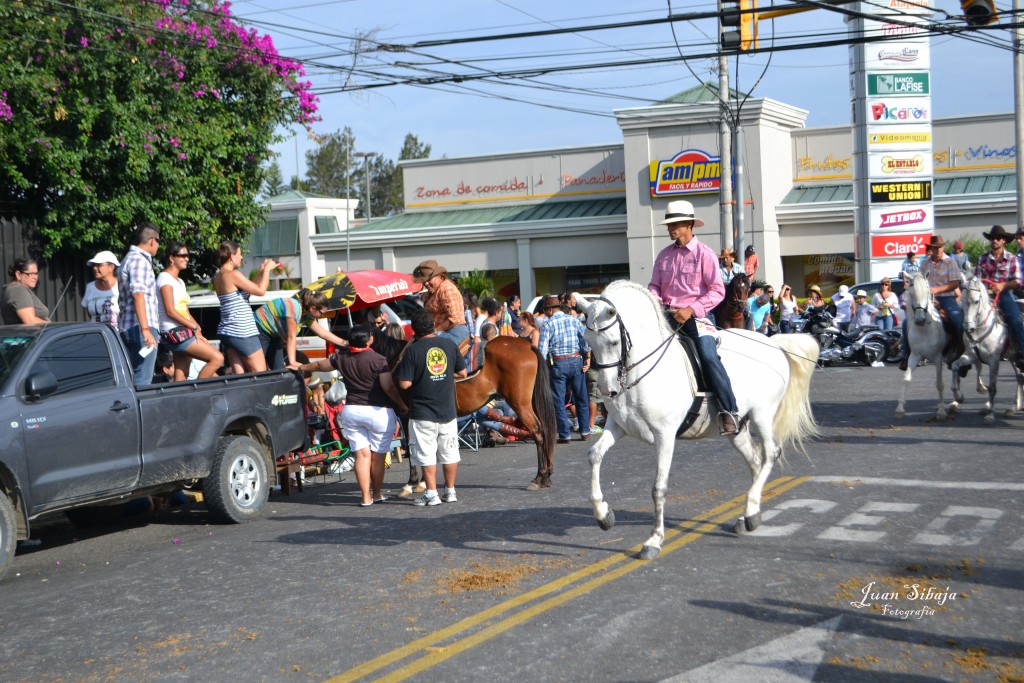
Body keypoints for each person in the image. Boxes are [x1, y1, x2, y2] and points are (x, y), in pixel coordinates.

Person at [648, 199, 739, 435]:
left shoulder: (705, 255)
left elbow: (718, 291)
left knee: (708, 356)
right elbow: (654, 286)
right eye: (669, 225)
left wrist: (691, 309)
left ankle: (730, 411)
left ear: (689, 225)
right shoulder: (663, 255)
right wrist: (654, 298)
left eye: (675, 224)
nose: (670, 228)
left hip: (696, 318)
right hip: (666, 317)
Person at [297, 324, 406, 506]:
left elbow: (318, 365)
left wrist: (301, 367)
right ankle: (377, 494)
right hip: (378, 412)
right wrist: (401, 405)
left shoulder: (341, 357)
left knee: (361, 456)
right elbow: (388, 387)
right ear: (370, 339)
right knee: (377, 456)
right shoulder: (379, 359)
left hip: (352, 410)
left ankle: (365, 497)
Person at [395, 307, 467, 507]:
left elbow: (404, 384)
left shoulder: (413, 351)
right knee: (449, 452)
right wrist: (443, 375)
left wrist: (422, 376)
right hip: (447, 410)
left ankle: (432, 494)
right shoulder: (449, 345)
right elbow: (462, 373)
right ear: (433, 324)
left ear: (414, 330)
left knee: (426, 454)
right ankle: (451, 491)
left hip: (422, 412)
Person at [156, 241, 224, 380]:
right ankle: (197, 391)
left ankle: (180, 399)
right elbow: (170, 311)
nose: (187, 258)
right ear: (171, 258)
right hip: (173, 331)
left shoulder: (179, 282)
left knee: (182, 373)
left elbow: (185, 310)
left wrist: (197, 330)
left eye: (188, 255)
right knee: (217, 358)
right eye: (183, 255)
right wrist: (193, 326)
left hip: (183, 330)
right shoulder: (164, 279)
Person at [213, 239, 276, 374]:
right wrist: (267, 272)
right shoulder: (233, 274)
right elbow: (260, 291)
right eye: (240, 254)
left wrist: (260, 271)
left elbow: (245, 292)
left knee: (240, 376)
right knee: (259, 373)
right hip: (242, 331)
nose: (241, 257)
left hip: (228, 332)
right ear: (231, 257)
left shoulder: (218, 276)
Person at [537, 295, 592, 443]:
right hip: (576, 361)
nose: (545, 313)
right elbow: (586, 338)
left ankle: (565, 434)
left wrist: (541, 368)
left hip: (558, 363)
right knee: (581, 397)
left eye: (545, 310)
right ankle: (585, 431)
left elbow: (542, 351)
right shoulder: (573, 320)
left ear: (550, 309)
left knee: (559, 400)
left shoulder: (547, 324)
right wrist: (586, 356)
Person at [257, 289, 348, 370]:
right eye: (321, 313)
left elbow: (322, 333)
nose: (322, 316)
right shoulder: (294, 307)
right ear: (313, 308)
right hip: (259, 329)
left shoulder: (306, 315)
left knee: (279, 369)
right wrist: (293, 362)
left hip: (273, 335)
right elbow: (291, 337)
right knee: (259, 369)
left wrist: (344, 343)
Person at [118, 223, 161, 386]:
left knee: (133, 378)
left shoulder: (127, 259)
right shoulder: (139, 261)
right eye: (158, 241)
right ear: (151, 240)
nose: (158, 246)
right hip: (141, 327)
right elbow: (138, 294)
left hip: (129, 327)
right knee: (143, 379)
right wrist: (145, 329)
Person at [976, 225, 1024, 370]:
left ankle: (1022, 352)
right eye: (993, 238)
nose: (995, 241)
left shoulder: (1011, 258)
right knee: (967, 316)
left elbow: (1017, 281)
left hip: (1003, 295)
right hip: (985, 296)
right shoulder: (982, 258)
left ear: (1003, 241)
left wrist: (1002, 286)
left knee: (1015, 319)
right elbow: (977, 279)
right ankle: (963, 350)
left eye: (998, 238)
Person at [918, 234, 965, 373]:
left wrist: (936, 290)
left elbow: (955, 283)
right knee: (907, 322)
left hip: (946, 297)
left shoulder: (950, 262)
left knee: (958, 321)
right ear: (931, 248)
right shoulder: (924, 263)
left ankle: (958, 350)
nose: (938, 249)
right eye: (936, 247)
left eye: (940, 247)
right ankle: (907, 354)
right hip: (927, 299)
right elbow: (920, 281)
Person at [412, 260, 470, 350]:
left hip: (454, 332)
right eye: (424, 281)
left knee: (425, 348)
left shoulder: (447, 289)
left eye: (428, 280)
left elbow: (454, 319)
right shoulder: (433, 291)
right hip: (444, 332)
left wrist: (434, 332)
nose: (426, 283)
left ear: (438, 276)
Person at [2, 257, 49, 325]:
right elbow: (30, 321)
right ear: (18, 274)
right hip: (34, 334)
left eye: (36, 273)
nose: (35, 277)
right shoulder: (18, 290)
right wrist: (54, 327)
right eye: (31, 274)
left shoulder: (12, 289)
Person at [81, 251, 120, 328]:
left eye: (99, 265)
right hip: (98, 335)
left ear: (111, 267)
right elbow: (89, 312)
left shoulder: (122, 285)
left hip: (120, 335)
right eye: (94, 265)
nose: (95, 268)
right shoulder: (90, 287)